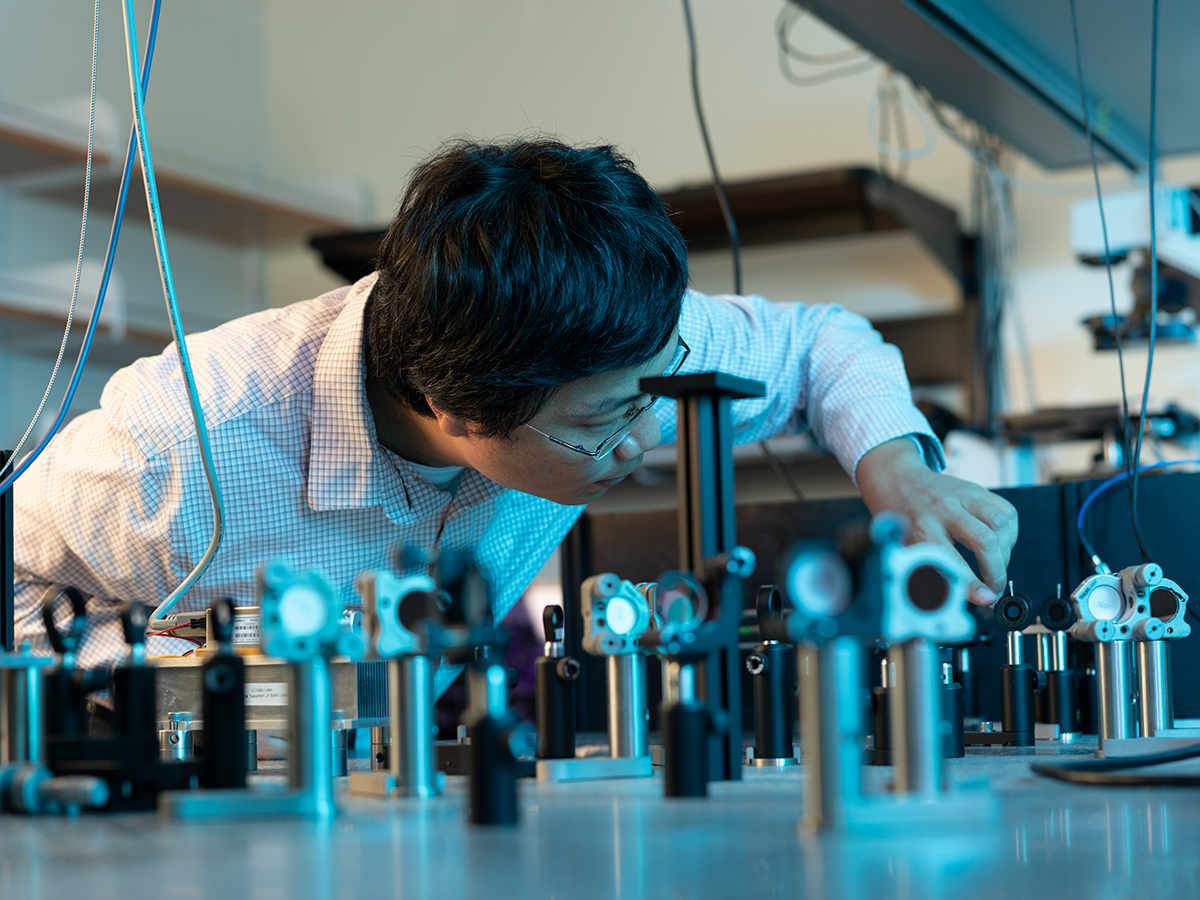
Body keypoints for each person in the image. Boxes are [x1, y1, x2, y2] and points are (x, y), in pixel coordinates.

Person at [12, 138, 1017, 683]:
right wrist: (159, 676)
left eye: (651, 397)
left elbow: (819, 341)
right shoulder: (180, 456)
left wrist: (901, 470)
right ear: (454, 404)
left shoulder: (609, 341)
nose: (644, 438)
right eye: (596, 429)